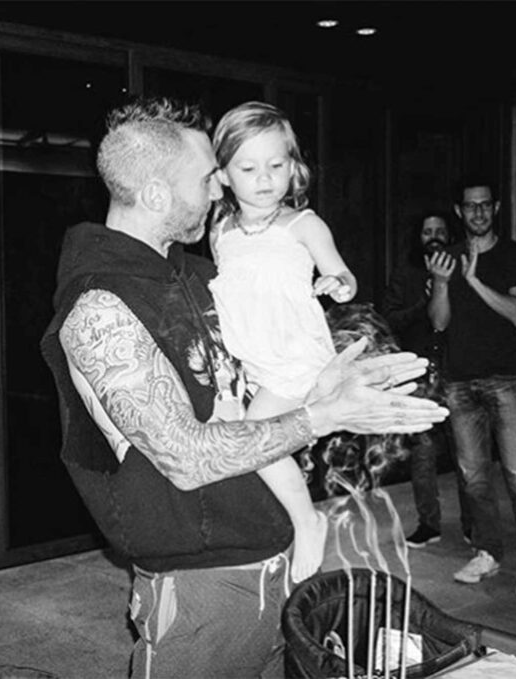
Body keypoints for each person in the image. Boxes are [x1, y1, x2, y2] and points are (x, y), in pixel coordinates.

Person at [40, 96, 448, 678]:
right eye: (207, 178)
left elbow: (251, 399)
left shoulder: (196, 273)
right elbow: (185, 458)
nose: (219, 191)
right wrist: (321, 416)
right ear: (155, 194)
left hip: (274, 562)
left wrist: (323, 388)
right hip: (204, 591)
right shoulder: (100, 308)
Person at [208, 101, 357, 582]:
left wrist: (337, 284)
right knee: (245, 448)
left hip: (295, 357)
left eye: (276, 165)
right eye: (248, 168)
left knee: (256, 438)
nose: (265, 179)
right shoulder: (220, 231)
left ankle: (307, 521)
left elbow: (344, 275)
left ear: (294, 168)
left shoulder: (304, 225)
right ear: (224, 175)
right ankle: (265, 532)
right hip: (251, 362)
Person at [427, 175, 516, 598]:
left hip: (506, 381)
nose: (477, 212)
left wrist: (475, 280)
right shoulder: (447, 258)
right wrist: (442, 282)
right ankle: (487, 552)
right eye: (470, 205)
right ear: (459, 211)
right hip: (459, 381)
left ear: (495, 208)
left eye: (485, 205)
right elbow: (439, 322)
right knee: (473, 478)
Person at [381, 210, 471, 548]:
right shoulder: (405, 273)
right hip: (418, 373)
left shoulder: (464, 268)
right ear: (418, 238)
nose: (433, 237)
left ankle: (474, 524)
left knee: (466, 452)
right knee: (422, 454)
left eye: (439, 231)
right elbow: (390, 321)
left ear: (450, 236)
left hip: (458, 370)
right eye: (427, 231)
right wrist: (426, 300)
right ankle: (428, 524)